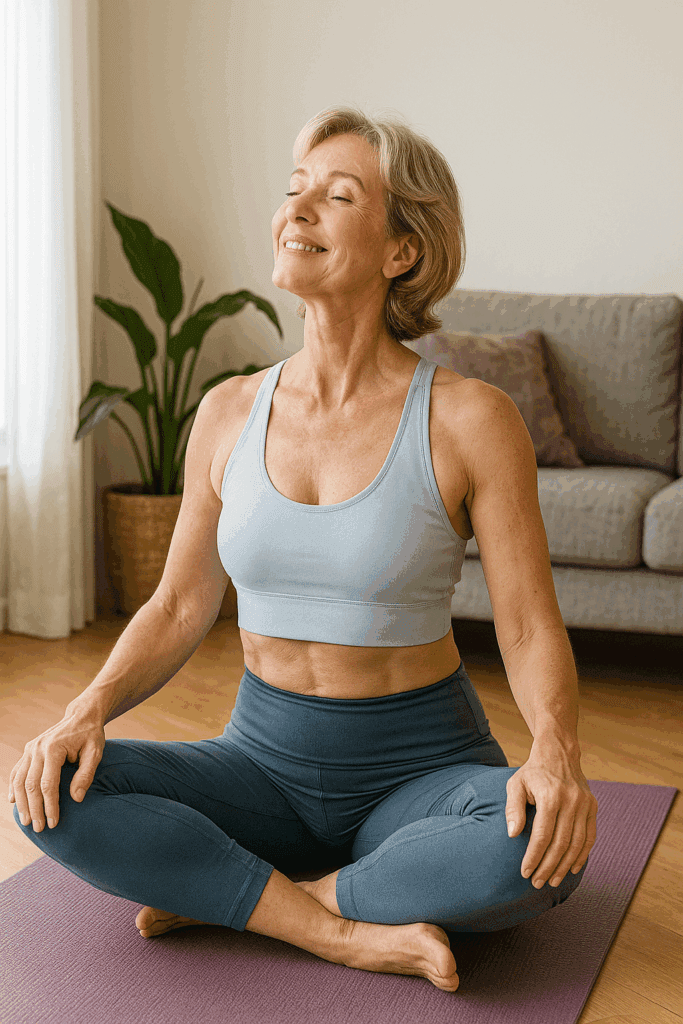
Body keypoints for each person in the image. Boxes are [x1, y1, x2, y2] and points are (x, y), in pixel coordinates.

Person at [9, 106, 597, 995]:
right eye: (294, 192)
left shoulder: (470, 418)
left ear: (403, 249)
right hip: (259, 768)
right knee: (50, 789)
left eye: (337, 194)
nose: (299, 210)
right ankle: (341, 928)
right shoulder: (227, 411)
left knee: (537, 849)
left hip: (422, 773)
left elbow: (523, 625)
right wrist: (87, 707)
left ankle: (249, 897)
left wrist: (553, 751)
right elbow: (176, 605)